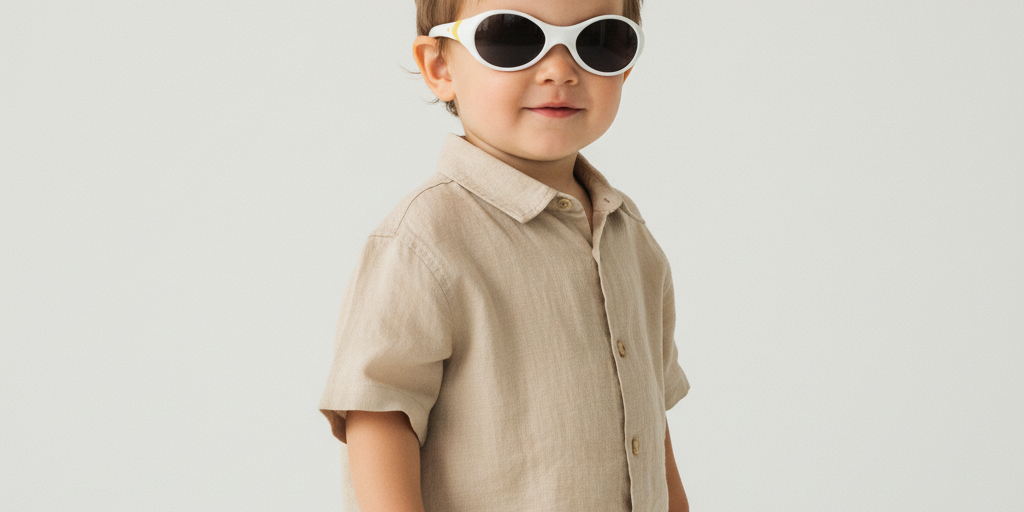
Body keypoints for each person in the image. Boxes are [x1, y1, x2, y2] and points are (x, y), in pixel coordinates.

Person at [318, 0, 691, 510]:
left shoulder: (630, 236)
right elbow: (378, 414)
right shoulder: (425, 238)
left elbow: (648, 419)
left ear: (626, 66)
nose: (561, 69)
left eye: (600, 41)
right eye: (513, 39)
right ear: (440, 67)